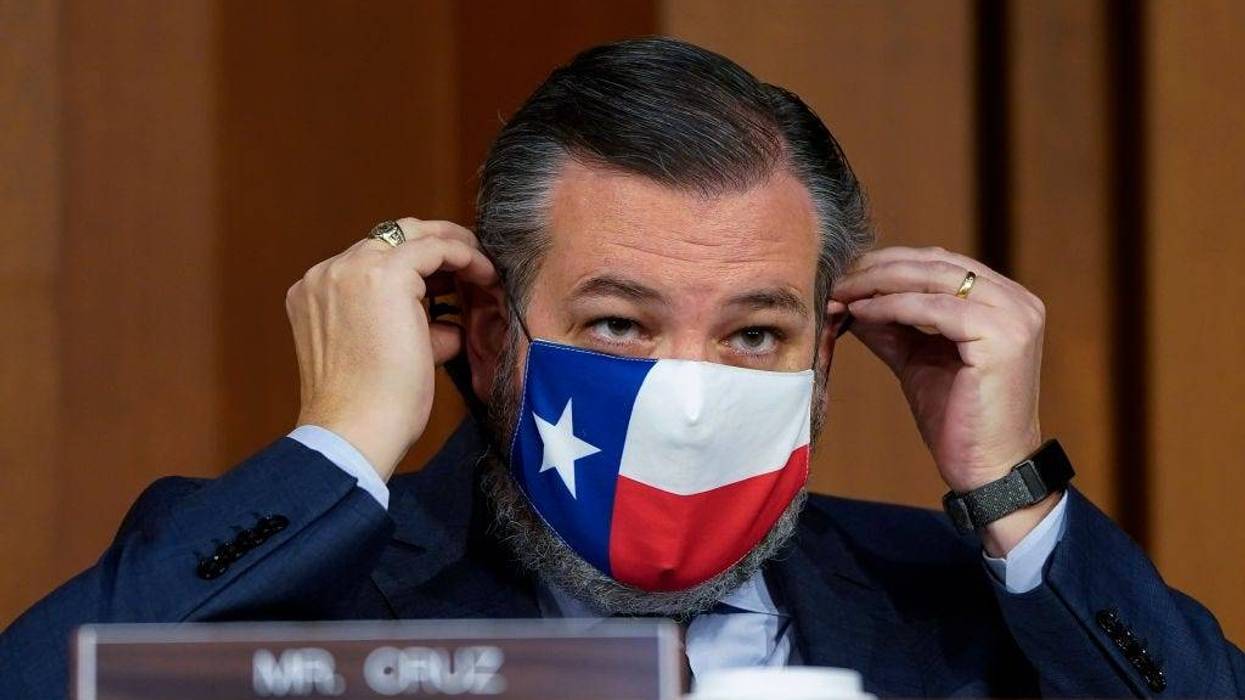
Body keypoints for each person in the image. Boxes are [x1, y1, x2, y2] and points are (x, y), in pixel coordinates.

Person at [1, 36, 1241, 699]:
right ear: (494, 340)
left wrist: (1015, 493)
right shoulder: (283, 589)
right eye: (617, 326)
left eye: (754, 333)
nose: (686, 391)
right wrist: (339, 443)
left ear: (826, 359)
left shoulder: (974, 610)